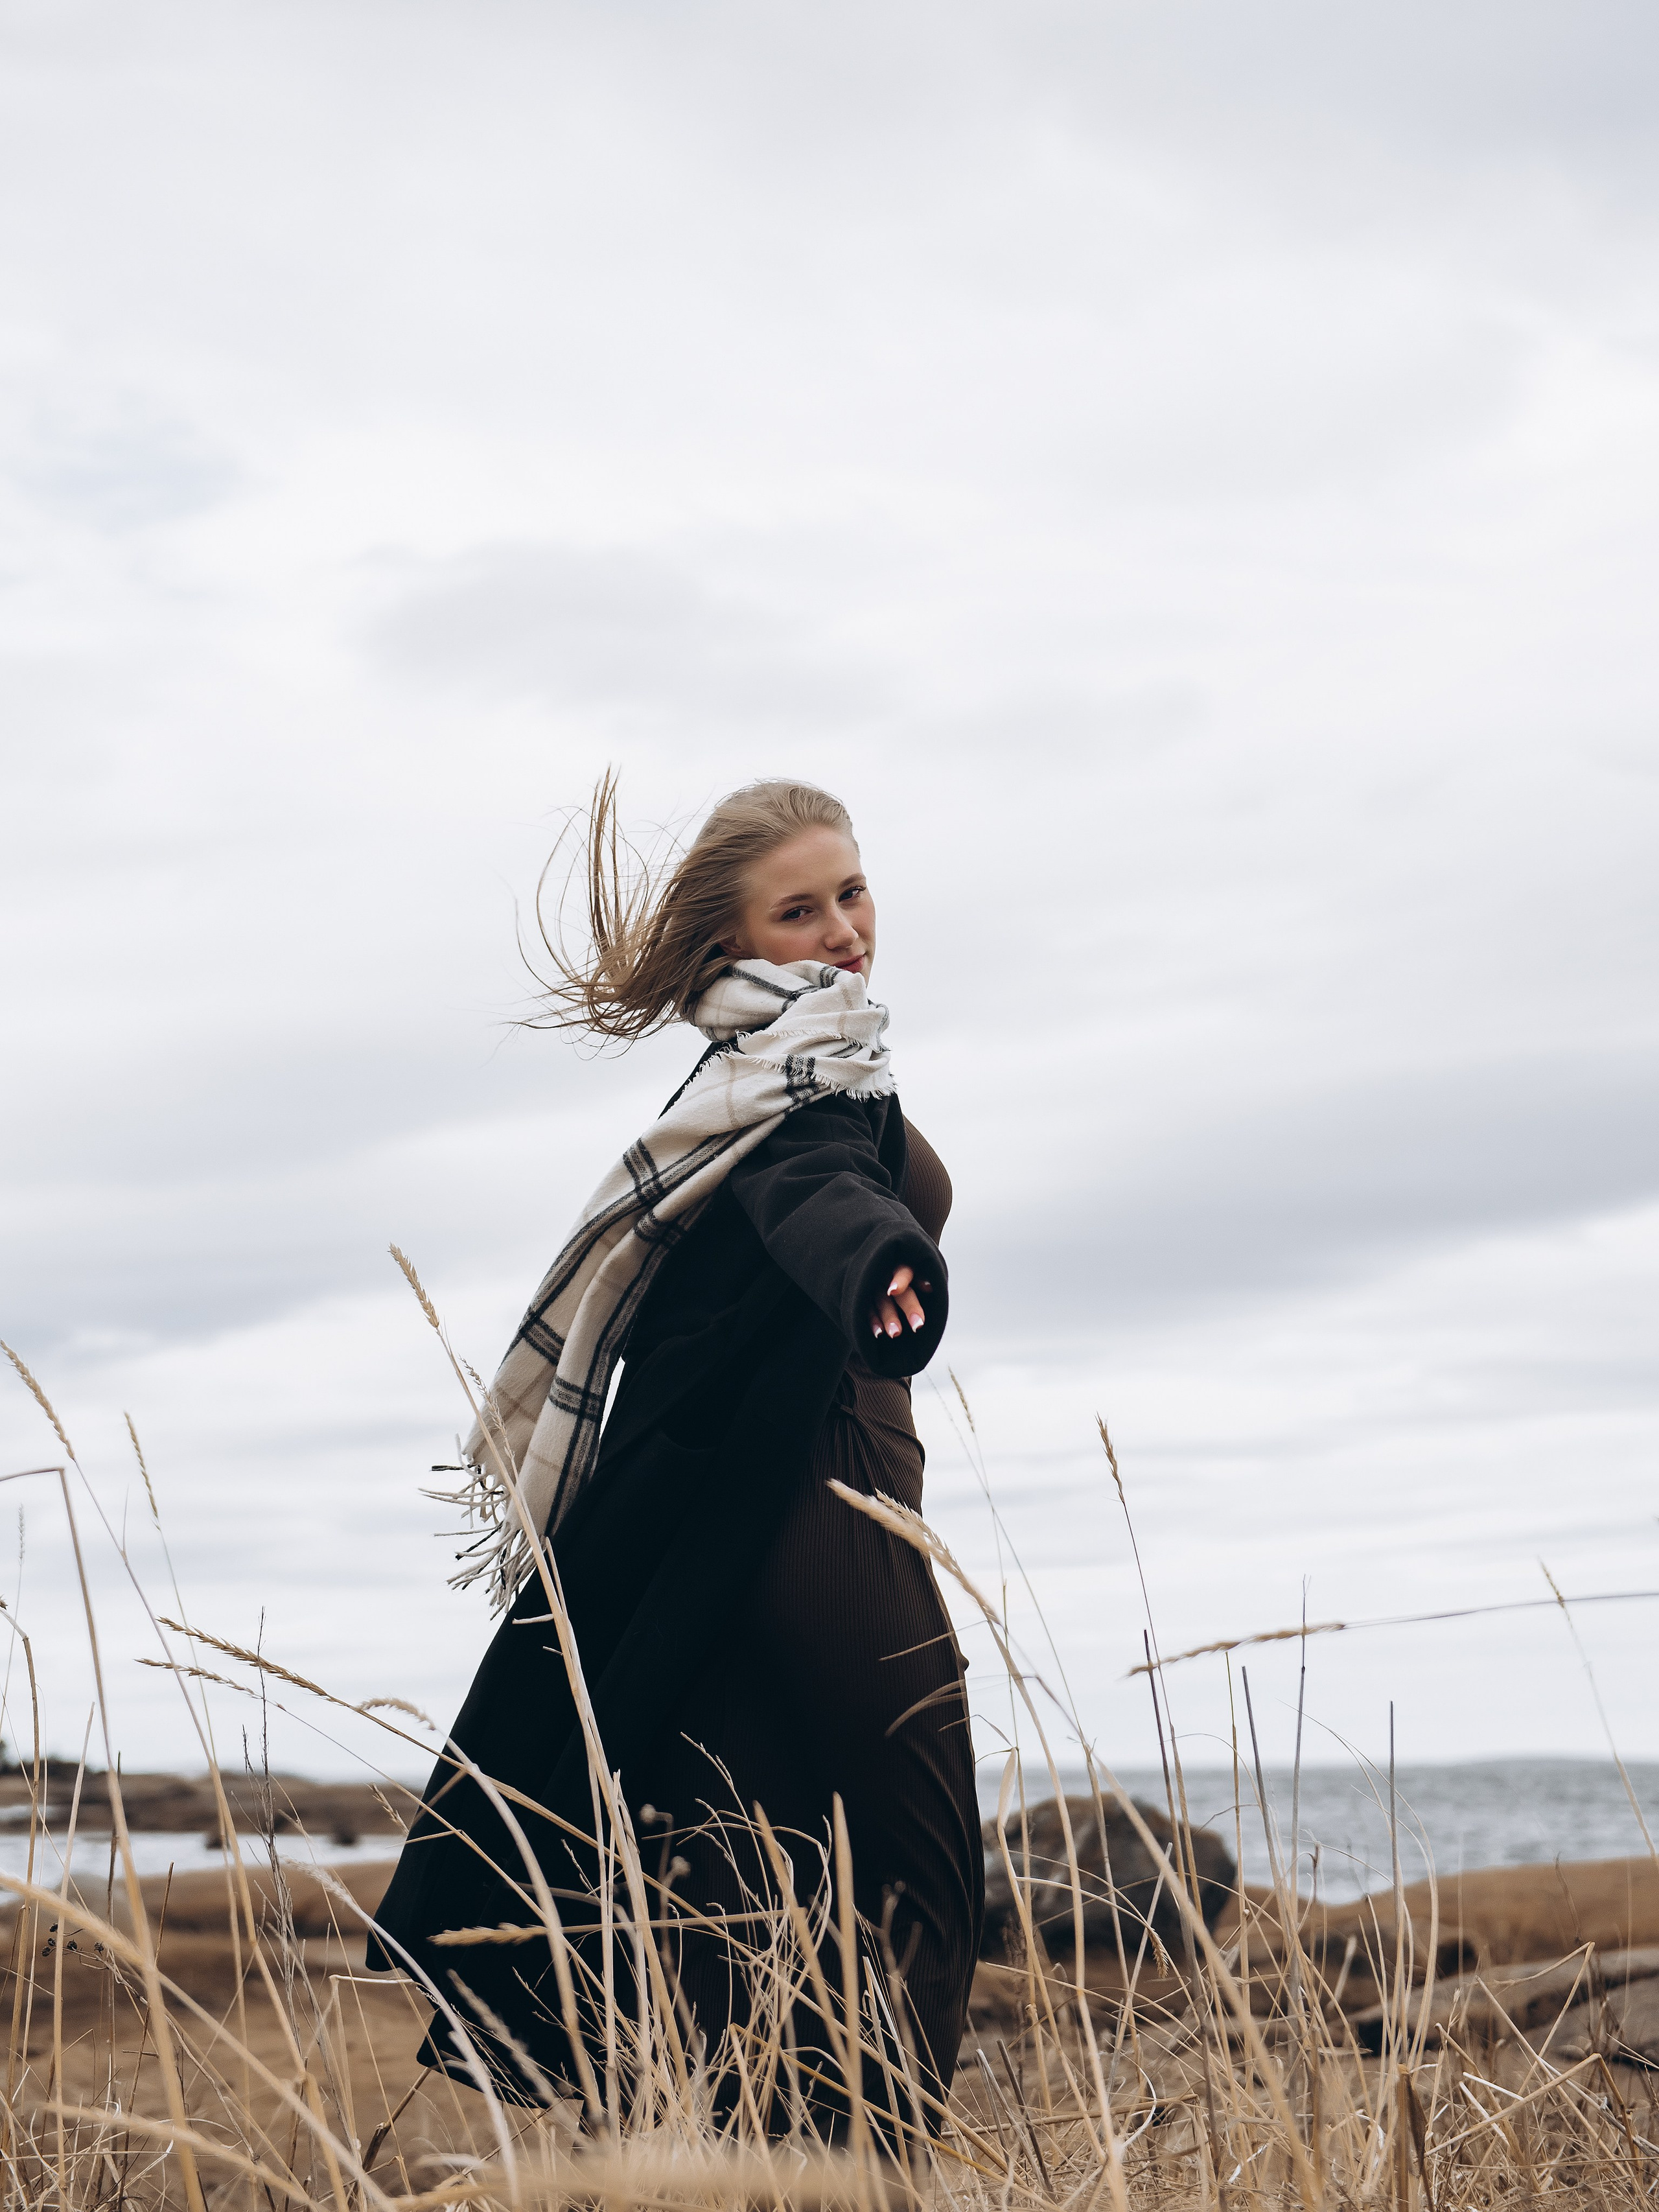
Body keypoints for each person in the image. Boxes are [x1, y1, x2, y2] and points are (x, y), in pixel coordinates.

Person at [368, 774, 981, 2146]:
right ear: (733, 944)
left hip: (750, 1534)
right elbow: (819, 1194)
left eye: (853, 890)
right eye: (800, 908)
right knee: (921, 1870)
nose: (842, 929)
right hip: (819, 1514)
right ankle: (860, 2161)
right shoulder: (795, 1091)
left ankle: (748, 2150)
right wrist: (882, 1261)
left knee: (747, 1854)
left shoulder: (763, 1075)